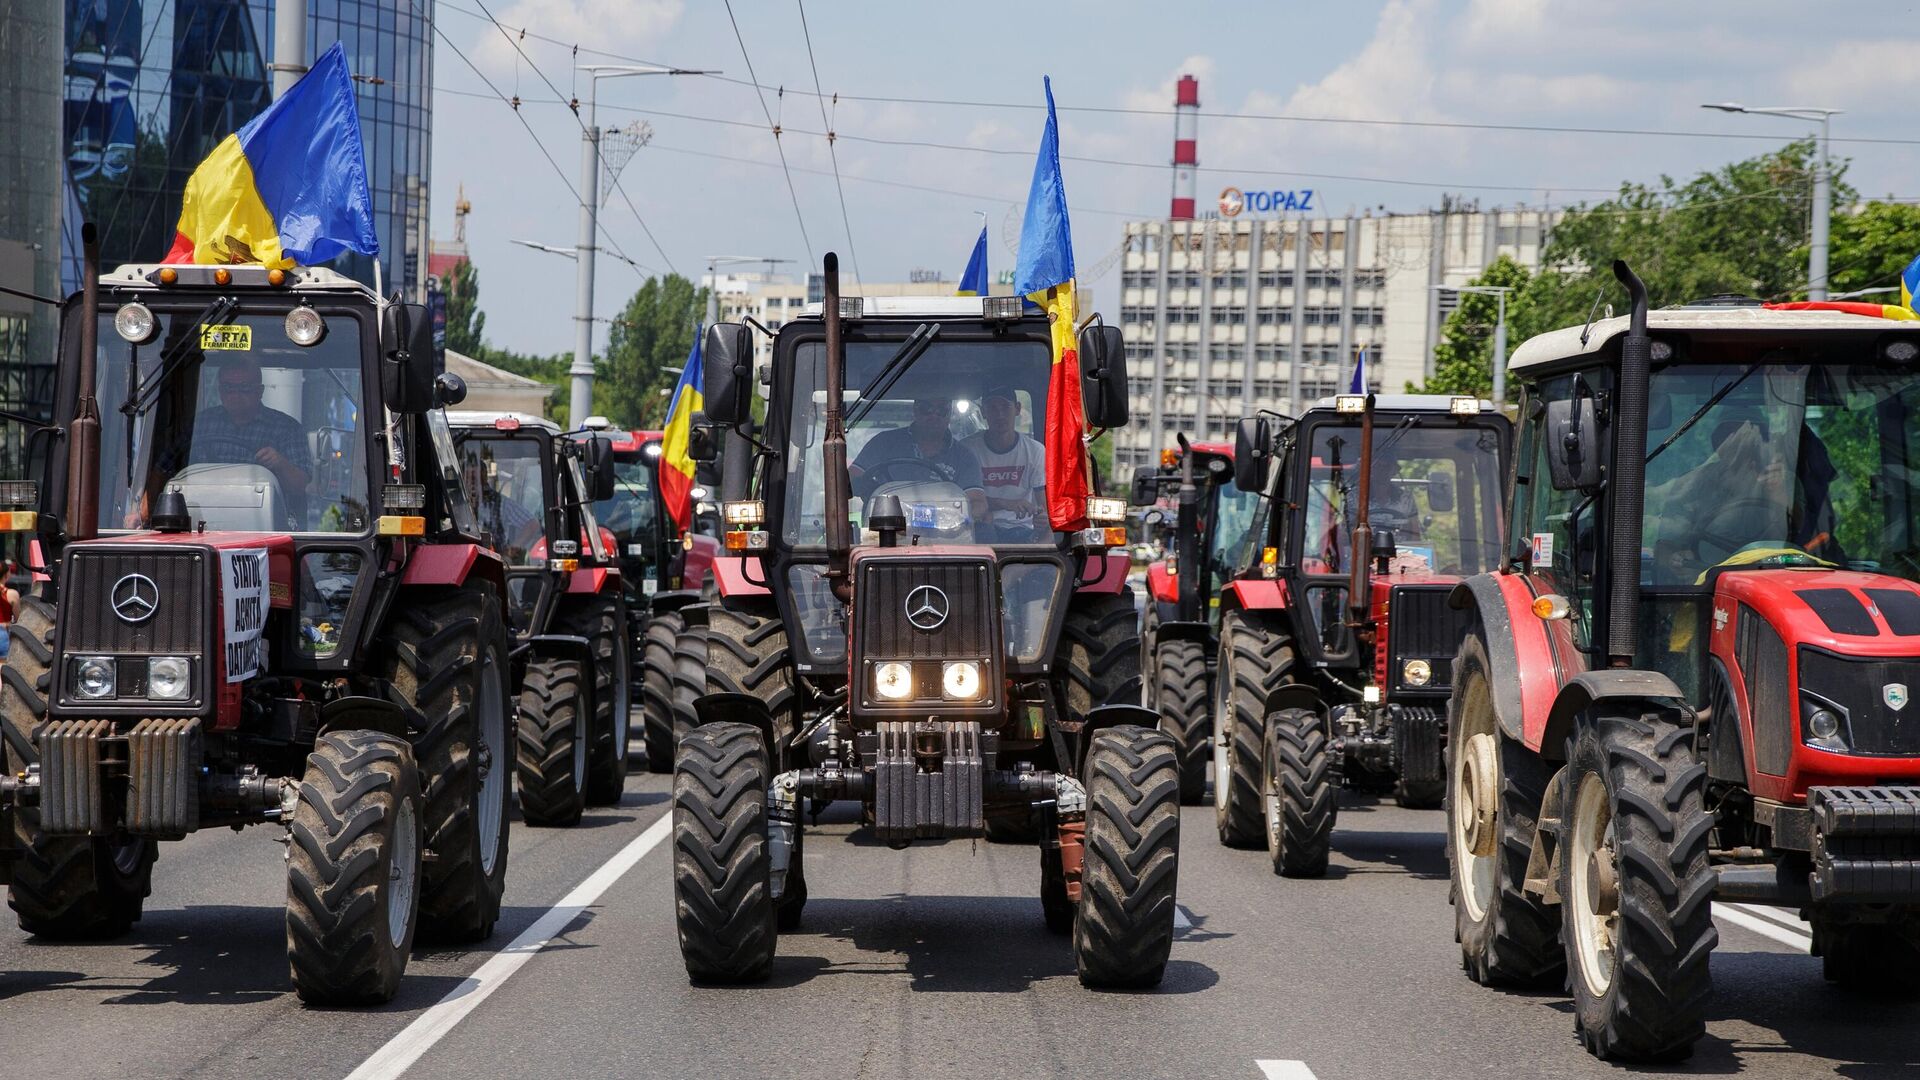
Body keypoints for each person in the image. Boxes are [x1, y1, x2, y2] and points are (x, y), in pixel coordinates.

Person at [851, 396, 987, 521]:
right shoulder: (883, 443)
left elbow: (978, 503)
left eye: (941, 410)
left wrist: (959, 519)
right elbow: (850, 478)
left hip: (946, 536)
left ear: (950, 415)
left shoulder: (964, 456)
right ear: (915, 410)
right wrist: (871, 489)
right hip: (887, 532)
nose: (933, 415)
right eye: (926, 408)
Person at [961, 386, 1047, 541]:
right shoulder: (967, 450)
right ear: (983, 413)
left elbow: (1044, 505)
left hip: (1023, 530)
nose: (1000, 415)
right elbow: (960, 503)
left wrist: (1043, 519)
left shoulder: (1035, 451)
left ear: (1017, 409)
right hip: (978, 529)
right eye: (993, 408)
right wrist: (1006, 504)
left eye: (1005, 407)